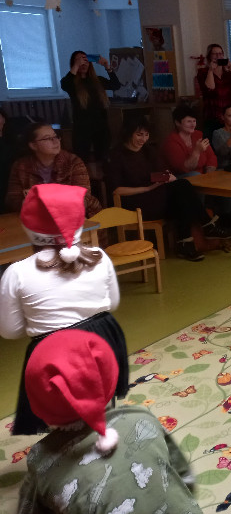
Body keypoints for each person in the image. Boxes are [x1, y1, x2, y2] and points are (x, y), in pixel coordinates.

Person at [17, 329, 202, 514]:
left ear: (36, 405)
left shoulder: (41, 460)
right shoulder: (140, 417)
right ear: (111, 379)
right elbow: (184, 477)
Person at [0, 184, 128, 435]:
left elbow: (9, 331)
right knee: (102, 396)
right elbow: (111, 304)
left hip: (53, 355)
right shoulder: (99, 256)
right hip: (104, 342)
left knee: (60, 413)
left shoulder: (16, 273)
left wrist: (41, 321)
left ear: (29, 229)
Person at [107, 117, 231, 262]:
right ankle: (205, 228)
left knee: (182, 188)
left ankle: (189, 242)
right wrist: (146, 189)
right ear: (128, 133)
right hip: (135, 202)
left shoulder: (149, 151)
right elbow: (116, 190)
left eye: (146, 135)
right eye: (139, 135)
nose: (143, 139)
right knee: (181, 194)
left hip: (156, 195)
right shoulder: (117, 156)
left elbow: (160, 172)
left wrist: (167, 177)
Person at [5, 122, 101, 217]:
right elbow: (12, 200)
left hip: (82, 216)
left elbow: (83, 198)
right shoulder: (21, 166)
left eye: (56, 136)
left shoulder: (72, 161)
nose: (56, 141)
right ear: (33, 145)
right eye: (47, 138)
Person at [60, 51, 121, 161]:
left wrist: (107, 66)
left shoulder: (98, 80)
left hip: (101, 125)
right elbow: (65, 84)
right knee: (81, 158)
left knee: (103, 158)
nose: (83, 63)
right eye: (79, 60)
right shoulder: (72, 83)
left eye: (85, 60)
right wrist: (76, 65)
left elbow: (116, 85)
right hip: (81, 127)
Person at [196, 43, 231, 138]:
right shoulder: (203, 72)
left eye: (220, 53)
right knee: (216, 142)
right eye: (215, 54)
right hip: (214, 114)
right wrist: (211, 70)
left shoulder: (228, 73)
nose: (218, 56)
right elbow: (210, 90)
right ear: (209, 56)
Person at [163, 103, 217, 176]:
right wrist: (197, 151)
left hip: (203, 176)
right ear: (177, 123)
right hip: (179, 178)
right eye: (189, 121)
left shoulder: (198, 135)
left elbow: (211, 157)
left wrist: (208, 174)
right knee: (194, 174)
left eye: (194, 121)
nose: (193, 125)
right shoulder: (171, 142)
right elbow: (184, 169)